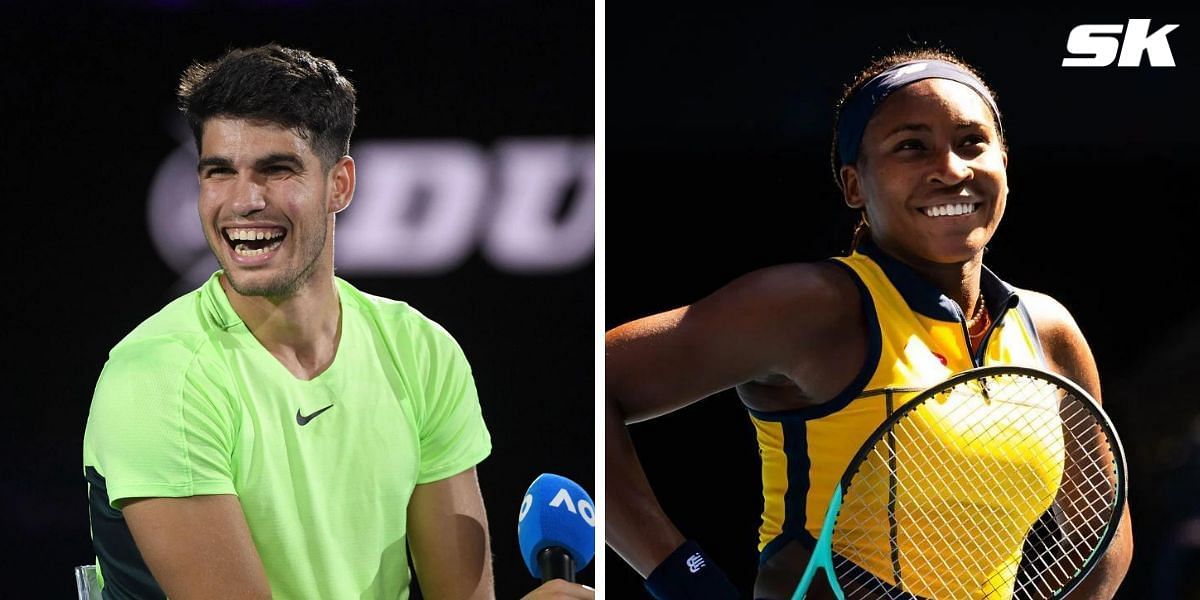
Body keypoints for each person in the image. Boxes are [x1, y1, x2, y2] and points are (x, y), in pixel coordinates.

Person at [606, 48, 1134, 599]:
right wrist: (686, 581)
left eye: (972, 142)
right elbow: (596, 380)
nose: (951, 169)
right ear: (854, 185)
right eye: (911, 146)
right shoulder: (812, 307)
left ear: (1005, 165)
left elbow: (1103, 532)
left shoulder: (1047, 331)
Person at [82, 44, 592, 600]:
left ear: (340, 184)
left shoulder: (420, 352)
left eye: (277, 170)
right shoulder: (158, 379)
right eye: (219, 172)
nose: (243, 200)